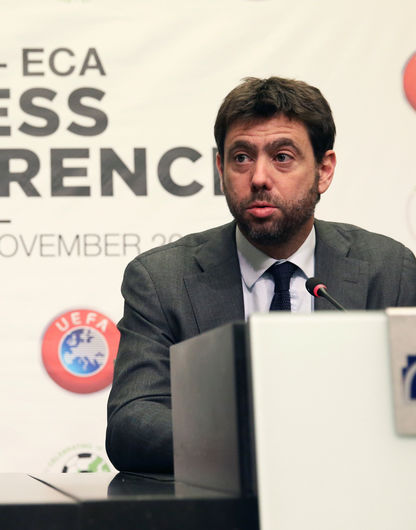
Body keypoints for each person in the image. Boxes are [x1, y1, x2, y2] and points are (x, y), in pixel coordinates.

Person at [105, 77, 416, 473]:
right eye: (241, 157)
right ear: (220, 168)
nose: (258, 178)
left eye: (282, 156)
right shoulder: (162, 278)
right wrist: (260, 443)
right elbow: (132, 424)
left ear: (324, 169)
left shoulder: (388, 270)